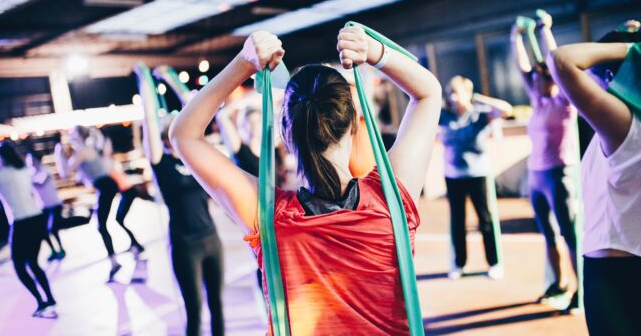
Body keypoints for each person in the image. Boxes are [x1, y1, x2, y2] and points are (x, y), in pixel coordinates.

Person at [169, 25, 442, 334]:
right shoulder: (389, 199)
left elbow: (183, 135)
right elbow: (429, 92)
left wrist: (245, 62)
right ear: (354, 123)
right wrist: (375, 52)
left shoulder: (272, 219)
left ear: (286, 134)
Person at [548, 22, 641, 335]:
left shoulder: (624, 126)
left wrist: (634, 48)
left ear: (613, 77)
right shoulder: (619, 126)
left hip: (617, 275)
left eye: (594, 72)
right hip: (617, 268)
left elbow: (562, 60)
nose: (586, 78)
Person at [136, 65, 225, 336]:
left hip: (211, 239)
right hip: (185, 246)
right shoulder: (161, 164)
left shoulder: (196, 157)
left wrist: (172, 79)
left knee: (217, 307)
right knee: (195, 310)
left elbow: (196, 107)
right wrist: (146, 82)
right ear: (166, 139)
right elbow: (150, 121)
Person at [511, 12, 579, 310]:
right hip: (536, 176)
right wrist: (516, 36)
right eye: (534, 79)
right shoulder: (537, 102)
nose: (533, 82)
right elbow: (523, 66)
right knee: (549, 235)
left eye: (539, 78)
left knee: (570, 235)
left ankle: (580, 292)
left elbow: (555, 60)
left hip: (558, 175)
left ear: (550, 79)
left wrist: (543, 29)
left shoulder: (565, 102)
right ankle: (559, 282)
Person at [439, 75, 513, 280]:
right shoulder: (444, 116)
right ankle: (459, 264)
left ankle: (494, 263)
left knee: (486, 220)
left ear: (467, 93)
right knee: (457, 221)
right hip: (453, 176)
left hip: (478, 174)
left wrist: (480, 98)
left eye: (457, 92)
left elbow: (507, 110)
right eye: (450, 93)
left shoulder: (480, 115)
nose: (453, 98)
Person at [55, 126, 143, 280]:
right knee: (103, 224)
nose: (70, 137)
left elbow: (65, 172)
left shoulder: (83, 151)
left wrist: (59, 153)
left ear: (79, 136)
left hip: (106, 186)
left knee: (102, 225)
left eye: (73, 134)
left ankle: (115, 262)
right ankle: (120, 257)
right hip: (105, 186)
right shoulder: (85, 150)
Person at [0, 142, 57, 317]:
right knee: (33, 263)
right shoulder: (24, 170)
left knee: (19, 267)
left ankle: (41, 302)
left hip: (21, 222)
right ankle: (50, 299)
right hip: (37, 218)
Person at [26, 151, 66, 261]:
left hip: (54, 204)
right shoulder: (29, 173)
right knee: (42, 231)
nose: (30, 162)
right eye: (28, 160)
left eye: (32, 159)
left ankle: (61, 249)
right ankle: (53, 250)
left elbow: (41, 183)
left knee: (53, 229)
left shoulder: (45, 170)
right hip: (42, 207)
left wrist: (26, 182)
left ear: (37, 159)